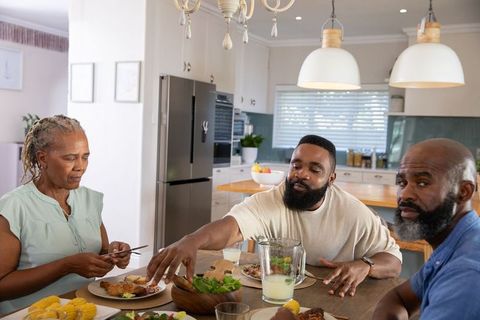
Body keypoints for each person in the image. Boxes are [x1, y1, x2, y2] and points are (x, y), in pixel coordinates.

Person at [148, 135, 402, 297]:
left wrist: (365, 265)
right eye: (296, 165)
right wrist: (192, 240)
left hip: (338, 295)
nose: (301, 174)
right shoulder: (272, 200)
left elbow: (394, 262)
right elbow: (231, 228)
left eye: (315, 169)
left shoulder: (353, 212)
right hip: (280, 297)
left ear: (331, 179)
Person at [0, 115, 131, 314]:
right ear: (42, 158)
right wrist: (66, 266)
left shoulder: (90, 200)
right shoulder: (14, 207)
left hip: (85, 311)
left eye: (85, 156)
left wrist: (114, 253)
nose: (80, 166)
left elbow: (102, 251)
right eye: (70, 158)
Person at [372, 138, 480, 319]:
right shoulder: (456, 241)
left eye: (422, 183)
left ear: (464, 191)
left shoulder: (468, 274)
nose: (404, 194)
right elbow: (399, 299)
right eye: (402, 182)